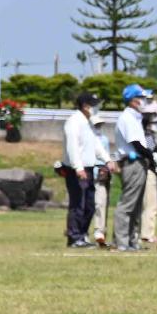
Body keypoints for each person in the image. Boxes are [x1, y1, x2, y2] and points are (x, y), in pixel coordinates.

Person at [60, 90, 113, 249]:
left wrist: (108, 159)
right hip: (77, 169)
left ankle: (82, 235)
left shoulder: (89, 122)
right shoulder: (74, 122)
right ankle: (74, 237)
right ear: (85, 106)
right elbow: (72, 147)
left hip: (89, 168)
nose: (96, 108)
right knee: (78, 204)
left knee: (90, 204)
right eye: (93, 105)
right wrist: (78, 167)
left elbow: (96, 144)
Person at [111, 83, 154, 252]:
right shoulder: (127, 118)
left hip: (139, 162)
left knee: (136, 205)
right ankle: (121, 241)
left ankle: (132, 240)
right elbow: (135, 143)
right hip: (132, 162)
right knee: (127, 204)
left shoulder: (136, 118)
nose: (144, 101)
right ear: (132, 100)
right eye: (142, 98)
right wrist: (149, 155)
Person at [139, 99, 157, 251]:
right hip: (148, 171)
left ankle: (147, 231)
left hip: (150, 169)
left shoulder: (147, 134)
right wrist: (156, 161)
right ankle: (147, 233)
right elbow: (152, 152)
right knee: (150, 204)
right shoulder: (146, 135)